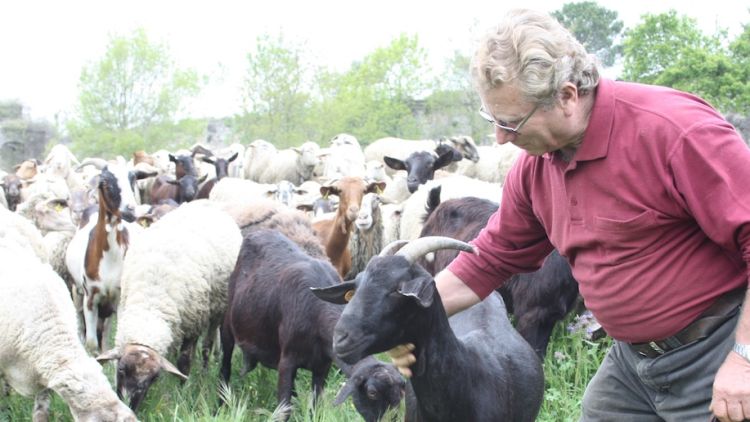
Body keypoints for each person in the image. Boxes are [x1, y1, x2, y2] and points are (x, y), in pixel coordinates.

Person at [388, 8, 750, 422]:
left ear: (567, 96)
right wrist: (408, 317)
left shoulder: (673, 131)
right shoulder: (535, 168)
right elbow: (489, 258)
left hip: (714, 351)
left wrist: (744, 359)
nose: (500, 138)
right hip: (633, 365)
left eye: (512, 122)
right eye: (494, 119)